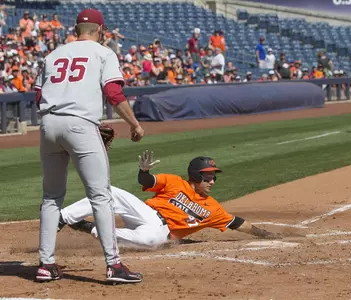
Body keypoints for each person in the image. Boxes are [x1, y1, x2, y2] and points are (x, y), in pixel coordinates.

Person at [34, 8, 144, 284]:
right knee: (100, 196)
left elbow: (39, 95)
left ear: (75, 31)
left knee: (51, 197)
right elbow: (113, 93)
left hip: (48, 125)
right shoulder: (103, 52)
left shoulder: (53, 54)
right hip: (80, 124)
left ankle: (46, 264)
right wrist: (134, 124)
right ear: (101, 30)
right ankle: (114, 265)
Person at [57, 151, 283, 247]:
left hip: (158, 233)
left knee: (151, 242)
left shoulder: (213, 209)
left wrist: (265, 234)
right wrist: (144, 171)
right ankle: (62, 217)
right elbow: (146, 181)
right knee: (110, 191)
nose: (212, 181)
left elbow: (237, 223)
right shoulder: (175, 182)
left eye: (213, 177)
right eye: (208, 176)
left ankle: (86, 227)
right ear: (196, 175)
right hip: (145, 214)